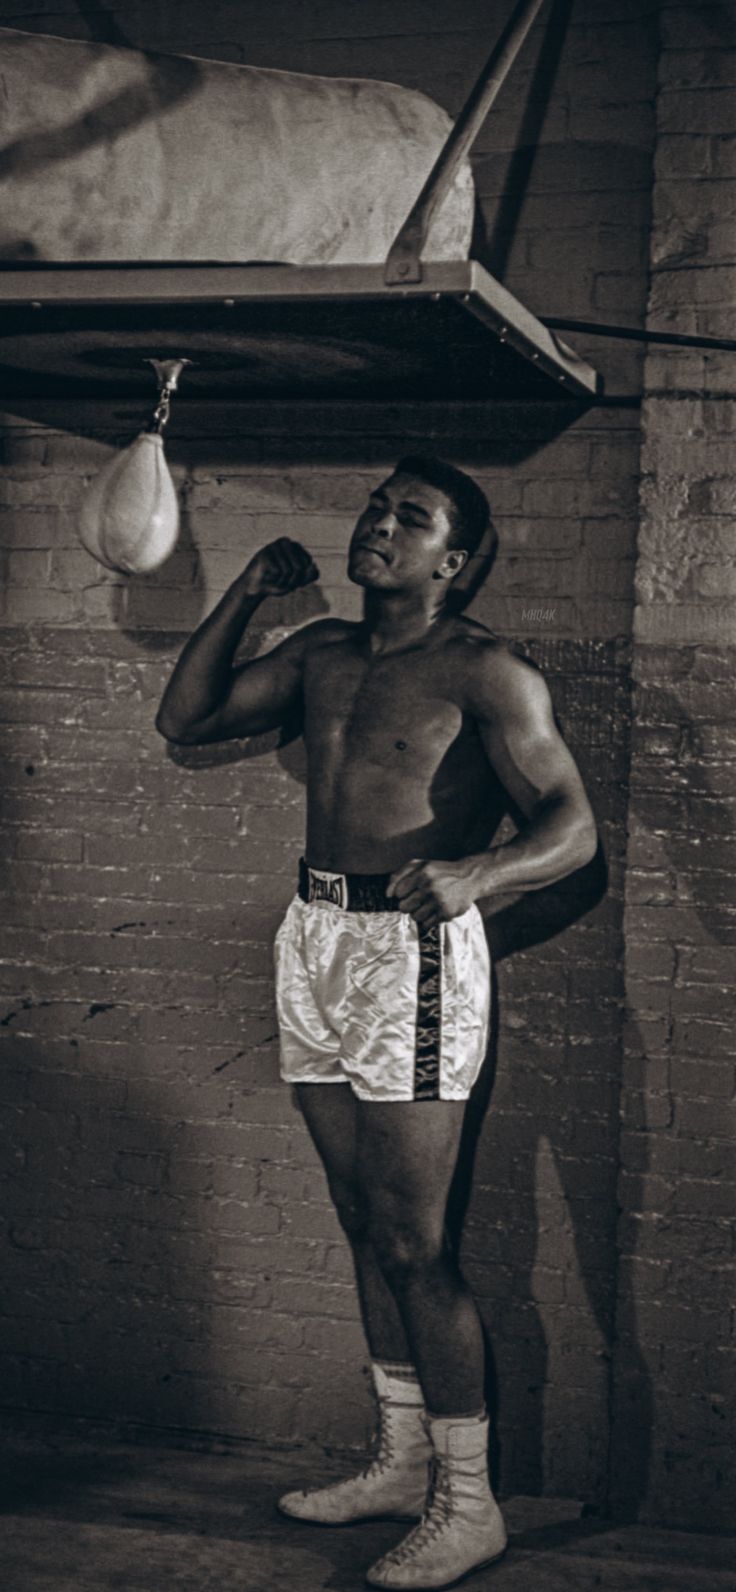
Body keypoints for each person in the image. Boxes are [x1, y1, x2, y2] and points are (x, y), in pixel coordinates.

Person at [155, 455, 598, 1590]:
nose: (378, 525)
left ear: (453, 560)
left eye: (412, 517)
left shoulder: (487, 669)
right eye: (374, 505)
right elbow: (187, 714)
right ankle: (401, 1461)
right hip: (313, 934)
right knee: (362, 1221)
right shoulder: (320, 652)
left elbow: (574, 828)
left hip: (410, 955)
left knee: (415, 1241)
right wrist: (251, 589)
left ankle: (468, 1500)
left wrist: (485, 872)